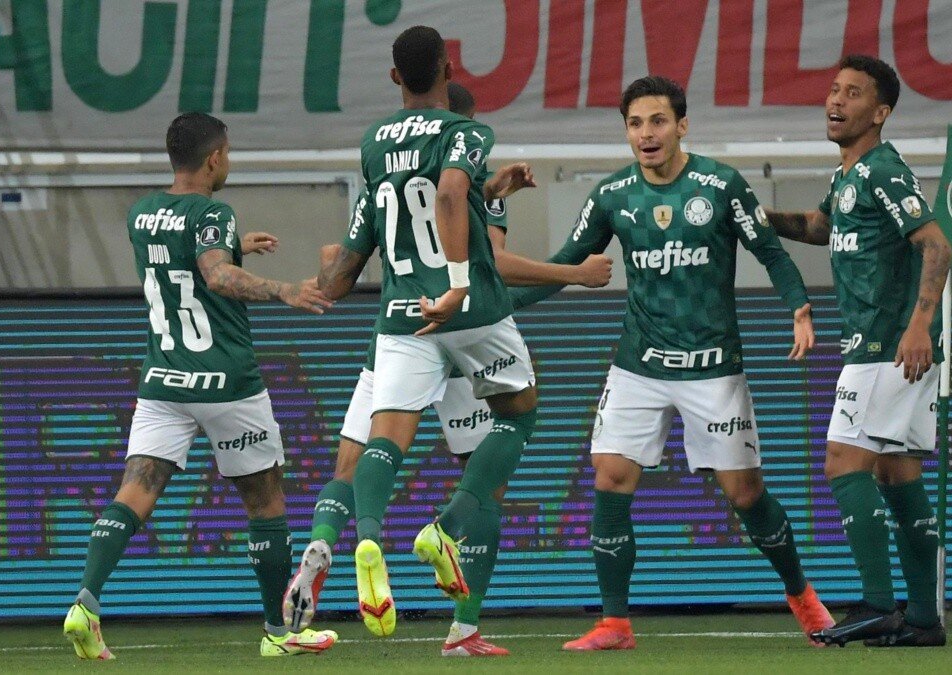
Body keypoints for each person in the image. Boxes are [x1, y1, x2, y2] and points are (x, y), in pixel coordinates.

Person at [281, 81, 612, 656]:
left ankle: (343, 541)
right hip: (465, 335)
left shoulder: (380, 164)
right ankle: (461, 618)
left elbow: (345, 261)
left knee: (357, 458)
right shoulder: (463, 150)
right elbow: (494, 265)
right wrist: (573, 275)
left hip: (398, 328)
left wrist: (309, 284)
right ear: (462, 122)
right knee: (490, 475)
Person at [511, 75, 835, 651]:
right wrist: (492, 307)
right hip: (638, 364)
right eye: (635, 124)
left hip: (713, 369)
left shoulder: (721, 185)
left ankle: (803, 598)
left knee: (745, 493)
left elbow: (772, 253)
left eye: (657, 121)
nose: (646, 134)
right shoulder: (612, 197)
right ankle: (615, 623)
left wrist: (799, 308)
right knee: (611, 476)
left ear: (681, 125)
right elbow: (564, 264)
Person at [62, 112, 338, 659]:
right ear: (214, 157)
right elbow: (213, 274)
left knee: (136, 491)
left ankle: (86, 604)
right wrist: (282, 288)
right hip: (226, 382)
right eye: (228, 154)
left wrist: (234, 246)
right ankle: (279, 635)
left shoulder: (142, 214)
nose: (228, 162)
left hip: (163, 379)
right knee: (265, 504)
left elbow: (188, 260)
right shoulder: (214, 211)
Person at [309, 25, 543, 657]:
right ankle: (447, 529)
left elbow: (356, 256)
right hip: (468, 310)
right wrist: (460, 284)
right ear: (448, 67)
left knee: (385, 436)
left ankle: (368, 537)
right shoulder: (464, 131)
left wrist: (311, 281)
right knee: (518, 415)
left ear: (394, 77)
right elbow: (445, 191)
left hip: (401, 313)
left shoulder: (372, 143)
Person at [763, 55, 952, 647]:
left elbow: (936, 246)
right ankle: (922, 618)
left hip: (886, 345)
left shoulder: (881, 171)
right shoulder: (850, 175)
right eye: (834, 89)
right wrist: (753, 218)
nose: (836, 101)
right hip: (890, 345)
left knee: (844, 464)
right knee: (898, 475)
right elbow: (821, 227)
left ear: (881, 112)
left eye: (853, 93)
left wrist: (918, 325)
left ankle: (876, 604)